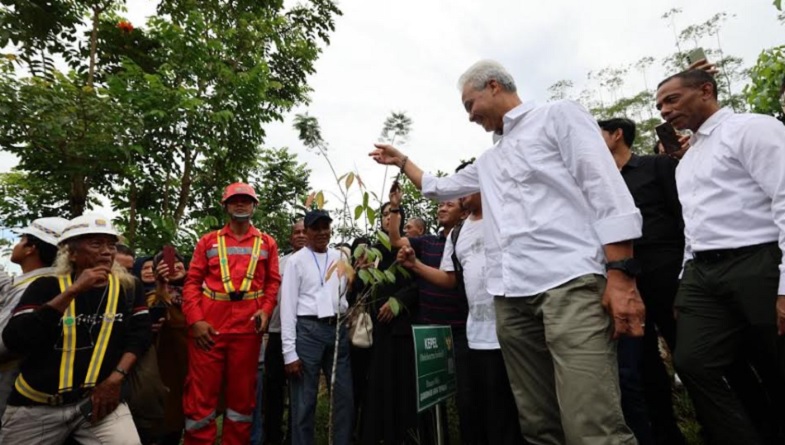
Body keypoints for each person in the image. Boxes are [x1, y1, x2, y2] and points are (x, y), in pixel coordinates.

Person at [370, 60, 644, 445]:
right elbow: (436, 186)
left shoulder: (557, 117)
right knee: (537, 425)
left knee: (592, 425)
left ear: (494, 85)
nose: (470, 117)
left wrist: (621, 274)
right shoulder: (489, 161)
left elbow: (607, 192)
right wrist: (401, 161)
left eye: (470, 105)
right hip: (512, 301)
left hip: (570, 287)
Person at [656, 69, 785, 445]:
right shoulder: (688, 159)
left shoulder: (750, 129)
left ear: (706, 91)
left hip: (758, 261)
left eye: (672, 99)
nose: (664, 110)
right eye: (660, 105)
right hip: (704, 272)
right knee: (693, 362)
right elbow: (693, 224)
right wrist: (685, 281)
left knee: (777, 364)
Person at [0, 213, 152, 444]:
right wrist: (72, 291)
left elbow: (140, 334)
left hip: (97, 403)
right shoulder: (46, 286)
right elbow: (16, 338)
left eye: (111, 245)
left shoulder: (129, 288)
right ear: (71, 252)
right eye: (95, 243)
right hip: (37, 405)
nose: (107, 251)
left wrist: (115, 379)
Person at [398, 180, 525, 445]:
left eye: (468, 185)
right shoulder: (457, 234)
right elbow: (449, 279)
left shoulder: (507, 216)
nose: (461, 192)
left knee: (509, 408)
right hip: (473, 337)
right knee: (470, 406)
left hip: (512, 332)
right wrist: (415, 265)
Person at [599, 118, 686, 445]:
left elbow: (682, 215)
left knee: (690, 358)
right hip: (625, 281)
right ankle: (667, 435)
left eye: (599, 134)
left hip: (669, 276)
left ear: (617, 135)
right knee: (644, 367)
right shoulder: (600, 182)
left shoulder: (657, 166)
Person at [182, 182, 281, 445]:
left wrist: (266, 309)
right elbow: (192, 283)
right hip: (209, 329)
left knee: (241, 402)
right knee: (200, 400)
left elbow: (273, 282)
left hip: (247, 331)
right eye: (235, 200)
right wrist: (195, 320)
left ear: (254, 206)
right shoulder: (208, 241)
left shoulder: (267, 243)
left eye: (246, 200)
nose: (240, 204)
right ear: (225, 205)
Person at [386, 192, 472, 443]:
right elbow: (395, 240)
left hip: (461, 331)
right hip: (430, 331)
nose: (442, 208)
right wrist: (394, 208)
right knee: (431, 398)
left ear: (464, 212)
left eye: (449, 204)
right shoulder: (428, 243)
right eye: (441, 204)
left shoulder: (467, 241)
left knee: (466, 397)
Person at [280, 209, 353, 445]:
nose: (322, 232)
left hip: (336, 329)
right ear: (307, 231)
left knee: (343, 397)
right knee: (304, 401)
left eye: (325, 227)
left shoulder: (340, 258)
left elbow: (342, 295)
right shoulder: (296, 261)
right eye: (316, 228)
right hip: (308, 331)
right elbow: (288, 307)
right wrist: (289, 352)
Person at [357, 202, 419, 445]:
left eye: (391, 215)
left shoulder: (409, 248)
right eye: (383, 215)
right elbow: (362, 293)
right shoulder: (374, 252)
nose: (386, 219)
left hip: (403, 330)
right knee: (380, 387)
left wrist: (397, 302)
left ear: (400, 219)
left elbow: (418, 284)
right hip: (379, 331)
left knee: (403, 388)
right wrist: (360, 273)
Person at [0, 217, 69, 418]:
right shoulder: (42, 281)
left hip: (9, 381)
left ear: (30, 248)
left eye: (21, 239)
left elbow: (4, 343)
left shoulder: (35, 288)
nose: (17, 244)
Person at [260, 220, 307, 445]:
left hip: (305, 334)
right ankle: (272, 437)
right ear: (290, 238)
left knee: (300, 390)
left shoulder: (319, 263)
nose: (299, 235)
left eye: (303, 231)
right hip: (278, 332)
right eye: (296, 232)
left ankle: (294, 437)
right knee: (273, 387)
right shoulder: (279, 263)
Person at [152, 249, 190, 445]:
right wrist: (161, 285)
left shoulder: (200, 291)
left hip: (197, 363)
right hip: (168, 367)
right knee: (169, 421)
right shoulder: (154, 295)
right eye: (167, 264)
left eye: (178, 263)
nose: (174, 267)